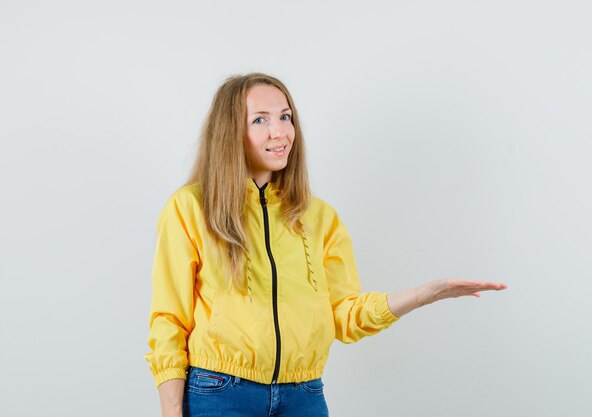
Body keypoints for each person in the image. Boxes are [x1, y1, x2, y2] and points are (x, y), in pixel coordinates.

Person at [144, 72, 507, 417]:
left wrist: (424, 294)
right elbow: (169, 320)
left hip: (303, 396)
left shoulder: (319, 218)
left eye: (286, 117)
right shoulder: (191, 208)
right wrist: (171, 412)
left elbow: (343, 315)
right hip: (220, 393)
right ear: (229, 132)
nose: (280, 131)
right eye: (260, 120)